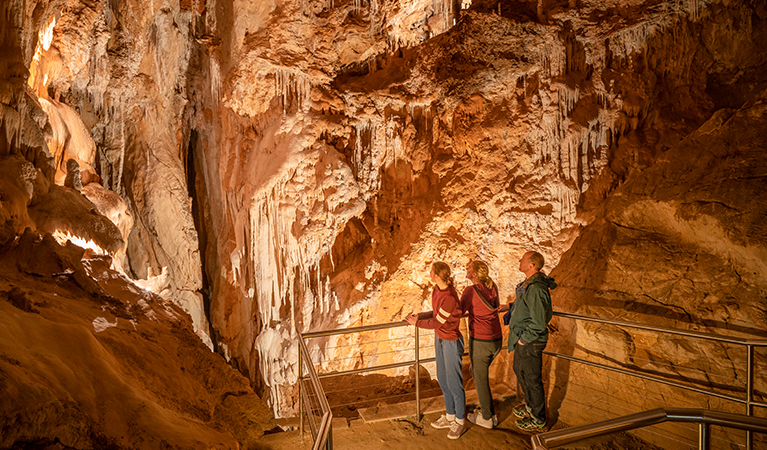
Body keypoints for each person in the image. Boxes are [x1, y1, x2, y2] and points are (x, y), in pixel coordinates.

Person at [405, 261, 466, 439]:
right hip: (440, 338)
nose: (429, 273)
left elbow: (438, 322)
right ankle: (450, 416)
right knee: (443, 379)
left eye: (432, 271)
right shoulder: (437, 290)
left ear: (438, 275)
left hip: (450, 341)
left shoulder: (450, 297)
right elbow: (436, 312)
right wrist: (420, 316)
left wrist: (417, 323)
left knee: (454, 382)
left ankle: (460, 421)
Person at [506, 251, 556, 432]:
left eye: (523, 259)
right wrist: (510, 308)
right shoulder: (529, 285)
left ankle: (538, 418)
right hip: (524, 339)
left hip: (530, 341)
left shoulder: (536, 288)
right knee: (520, 371)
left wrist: (523, 340)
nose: (520, 260)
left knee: (532, 378)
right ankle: (530, 406)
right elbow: (526, 307)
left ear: (532, 265)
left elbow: (538, 320)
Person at [462, 260, 502, 429]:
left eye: (469, 268)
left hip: (480, 340)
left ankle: (486, 418)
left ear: (476, 273)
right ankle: (489, 412)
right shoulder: (492, 287)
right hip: (496, 339)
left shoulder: (470, 291)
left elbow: (458, 311)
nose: (466, 268)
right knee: (475, 371)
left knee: (479, 378)